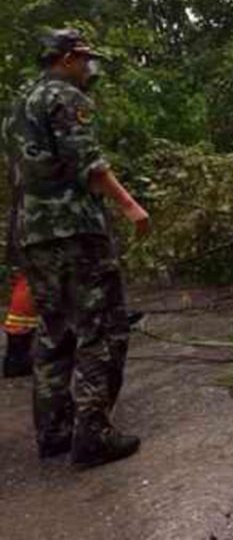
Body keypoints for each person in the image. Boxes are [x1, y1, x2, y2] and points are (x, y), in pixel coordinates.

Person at [4, 29, 150, 467]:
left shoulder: (18, 105)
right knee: (102, 328)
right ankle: (93, 433)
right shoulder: (66, 98)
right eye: (85, 60)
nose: (90, 69)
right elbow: (89, 166)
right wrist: (131, 207)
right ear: (66, 59)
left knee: (54, 329)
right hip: (73, 229)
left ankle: (53, 432)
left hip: (32, 232)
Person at [3, 268, 37, 377]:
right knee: (19, 350)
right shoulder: (30, 285)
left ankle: (16, 370)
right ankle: (14, 371)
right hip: (22, 323)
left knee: (17, 350)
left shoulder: (22, 283)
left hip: (17, 322)